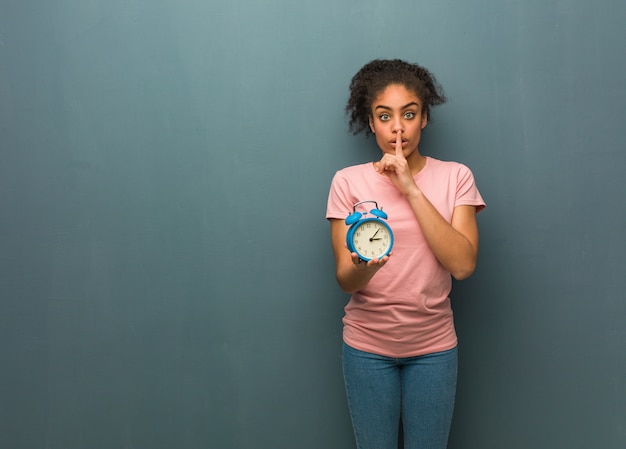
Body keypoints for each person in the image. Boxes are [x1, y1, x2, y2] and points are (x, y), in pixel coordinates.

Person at [326, 59, 486, 449]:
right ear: (371, 122)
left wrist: (411, 188)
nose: (397, 127)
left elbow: (463, 265)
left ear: (424, 119)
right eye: (385, 116)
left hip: (433, 350)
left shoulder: (455, 177)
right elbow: (346, 279)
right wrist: (366, 266)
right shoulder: (348, 182)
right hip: (367, 349)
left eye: (409, 114)